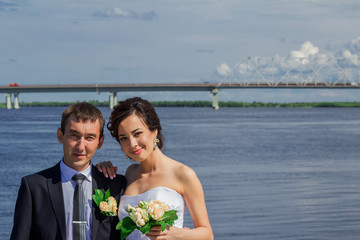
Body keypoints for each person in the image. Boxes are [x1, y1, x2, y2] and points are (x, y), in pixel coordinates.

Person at [97, 97, 213, 240]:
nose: (132, 144)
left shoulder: (183, 174)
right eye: (123, 138)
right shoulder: (130, 173)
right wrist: (101, 170)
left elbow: (207, 234)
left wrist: (176, 234)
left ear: (154, 131)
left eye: (137, 133)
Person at [10, 102, 127, 240]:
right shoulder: (34, 187)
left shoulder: (115, 185)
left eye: (89, 138)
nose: (81, 146)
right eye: (74, 135)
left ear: (100, 142)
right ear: (60, 135)